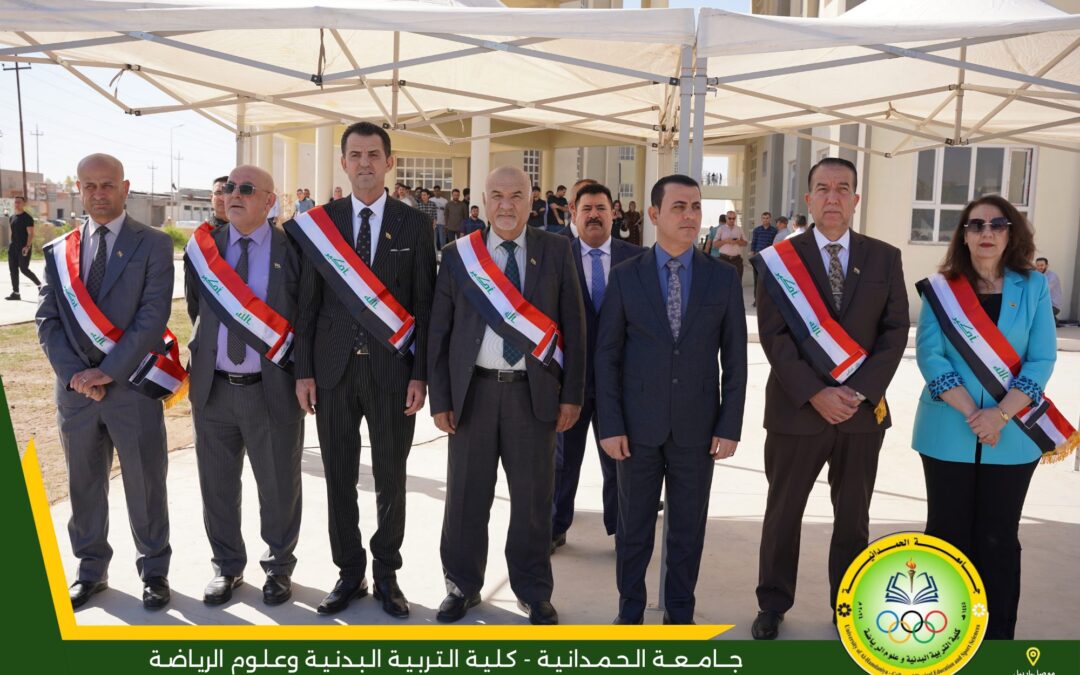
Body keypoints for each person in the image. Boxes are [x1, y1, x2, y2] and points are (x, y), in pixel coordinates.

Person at [751, 158, 909, 640]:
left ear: (856, 199)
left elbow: (895, 331)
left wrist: (858, 392)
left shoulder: (884, 256)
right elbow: (774, 337)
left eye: (843, 189)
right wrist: (817, 393)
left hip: (860, 416)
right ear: (809, 200)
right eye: (823, 189)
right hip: (797, 411)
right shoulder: (781, 259)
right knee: (783, 514)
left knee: (854, 518)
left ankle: (850, 604)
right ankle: (773, 604)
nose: (833, 197)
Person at [290, 122, 436, 618]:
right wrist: (303, 371)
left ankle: (387, 575)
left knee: (392, 478)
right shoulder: (320, 223)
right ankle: (349, 572)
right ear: (344, 162)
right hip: (331, 375)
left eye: (375, 154)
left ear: (390, 162)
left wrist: (421, 374)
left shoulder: (415, 225)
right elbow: (306, 305)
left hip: (394, 375)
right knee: (338, 478)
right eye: (356, 155)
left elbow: (424, 306)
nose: (365, 163)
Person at [428, 166, 586, 625]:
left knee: (534, 502)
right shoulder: (460, 255)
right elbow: (440, 331)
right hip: (473, 394)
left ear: (531, 199)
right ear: (483, 199)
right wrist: (442, 398)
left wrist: (572, 394)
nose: (506, 205)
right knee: (465, 499)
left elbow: (575, 327)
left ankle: (533, 590)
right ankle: (461, 585)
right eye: (496, 195)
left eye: (516, 195)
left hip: (532, 398)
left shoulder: (556, 250)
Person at [913, 196, 1073, 639]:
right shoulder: (941, 288)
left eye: (997, 224)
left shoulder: (1033, 286)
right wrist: (974, 414)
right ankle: (943, 637)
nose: (987, 232)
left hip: (1014, 433)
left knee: (999, 538)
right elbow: (930, 355)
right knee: (946, 536)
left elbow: (1041, 359)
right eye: (976, 224)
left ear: (1011, 232)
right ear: (963, 234)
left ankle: (998, 640)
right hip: (948, 429)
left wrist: (999, 415)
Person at [596, 174, 747, 625]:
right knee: (634, 529)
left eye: (696, 207)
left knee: (687, 529)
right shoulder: (625, 278)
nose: (690, 215)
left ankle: (680, 612)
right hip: (635, 430)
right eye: (679, 207)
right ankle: (630, 612)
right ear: (655, 214)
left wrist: (729, 425)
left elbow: (735, 360)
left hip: (697, 430)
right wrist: (610, 425)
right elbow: (606, 358)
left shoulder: (722, 279)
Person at [37, 153, 176, 610]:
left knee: (145, 483)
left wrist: (107, 371)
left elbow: (153, 317)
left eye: (107, 185)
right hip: (76, 394)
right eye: (90, 186)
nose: (99, 193)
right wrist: (76, 375)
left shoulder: (153, 244)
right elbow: (47, 319)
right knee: (83, 485)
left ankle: (154, 571)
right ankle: (90, 570)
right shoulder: (59, 250)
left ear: (125, 186)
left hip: (131, 389)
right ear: (79, 189)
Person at [184, 166, 303, 607]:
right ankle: (227, 567)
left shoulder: (293, 250)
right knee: (216, 484)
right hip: (213, 389)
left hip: (271, 390)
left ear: (270, 201)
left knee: (278, 485)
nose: (234, 195)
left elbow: (304, 318)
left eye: (247, 189)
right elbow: (198, 311)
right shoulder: (205, 249)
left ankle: (278, 568)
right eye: (230, 187)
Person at [552, 184, 643, 551]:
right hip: (569, 384)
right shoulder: (557, 256)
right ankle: (555, 526)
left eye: (601, 208)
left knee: (620, 462)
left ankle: (622, 529)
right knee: (561, 463)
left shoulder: (638, 258)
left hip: (620, 384)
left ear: (613, 213)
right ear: (573, 213)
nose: (594, 215)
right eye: (586, 208)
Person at [6, 195, 42, 300]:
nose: (17, 204)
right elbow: (12, 232)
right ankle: (16, 293)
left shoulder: (27, 218)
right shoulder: (12, 217)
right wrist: (11, 245)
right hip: (13, 248)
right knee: (13, 270)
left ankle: (40, 286)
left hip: (23, 248)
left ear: (24, 204)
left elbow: (30, 234)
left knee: (24, 269)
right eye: (15, 202)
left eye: (19, 202)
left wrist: (27, 247)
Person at [711, 212, 747, 283]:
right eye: (729, 218)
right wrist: (725, 241)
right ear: (726, 218)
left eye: (733, 218)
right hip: (724, 259)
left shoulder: (739, 229)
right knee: (723, 283)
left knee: (737, 283)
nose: (731, 220)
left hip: (736, 260)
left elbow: (745, 243)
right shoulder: (721, 229)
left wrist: (738, 241)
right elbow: (715, 244)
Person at [749, 211, 776, 295]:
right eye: (764, 218)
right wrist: (752, 254)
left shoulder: (774, 231)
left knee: (767, 279)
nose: (765, 220)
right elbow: (754, 242)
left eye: (767, 218)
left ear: (770, 219)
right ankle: (756, 299)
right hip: (758, 257)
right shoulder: (757, 230)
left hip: (769, 258)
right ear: (761, 219)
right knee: (757, 278)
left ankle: (765, 298)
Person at [1035, 257, 1064, 325]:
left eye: (1042, 265)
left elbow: (1043, 290)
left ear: (1047, 265)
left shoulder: (1052, 276)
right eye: (1038, 265)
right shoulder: (1036, 275)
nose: (1039, 267)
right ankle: (1052, 319)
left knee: (1038, 315)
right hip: (1041, 304)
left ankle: (1052, 320)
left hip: (1053, 306)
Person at [431, 185, 449, 250]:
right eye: (435, 191)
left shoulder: (445, 201)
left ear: (440, 191)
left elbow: (447, 212)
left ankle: (443, 253)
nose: (436, 192)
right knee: (434, 240)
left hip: (442, 223)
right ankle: (434, 254)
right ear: (433, 192)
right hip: (433, 223)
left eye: (438, 191)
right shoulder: (431, 200)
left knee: (442, 240)